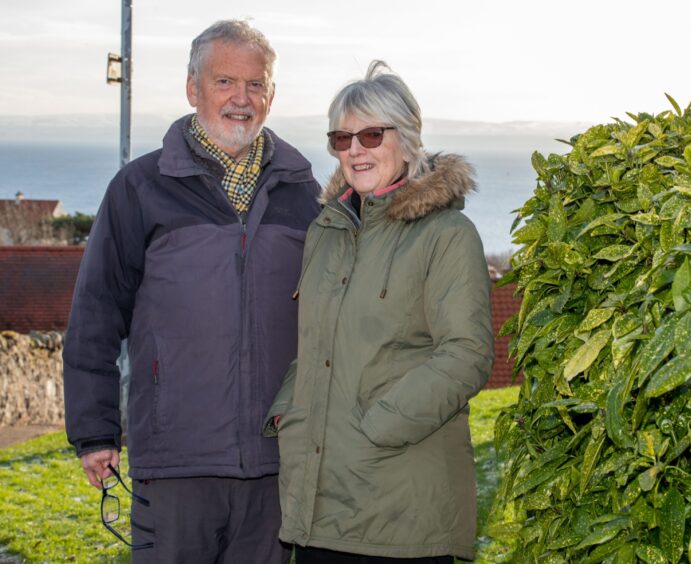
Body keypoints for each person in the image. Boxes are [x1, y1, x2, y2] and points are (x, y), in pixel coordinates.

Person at [63, 19, 320, 562]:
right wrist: (95, 432)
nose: (241, 99)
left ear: (271, 95)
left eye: (256, 85)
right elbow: (96, 312)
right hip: (175, 460)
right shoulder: (139, 187)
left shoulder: (305, 194)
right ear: (193, 88)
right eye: (225, 82)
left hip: (276, 465)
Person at [263, 61, 495, 562]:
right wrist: (291, 412)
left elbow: (467, 354)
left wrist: (376, 428)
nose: (355, 151)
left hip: (402, 505)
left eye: (370, 134)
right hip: (321, 506)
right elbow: (316, 345)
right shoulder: (327, 232)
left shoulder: (446, 235)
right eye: (341, 139)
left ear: (407, 137)